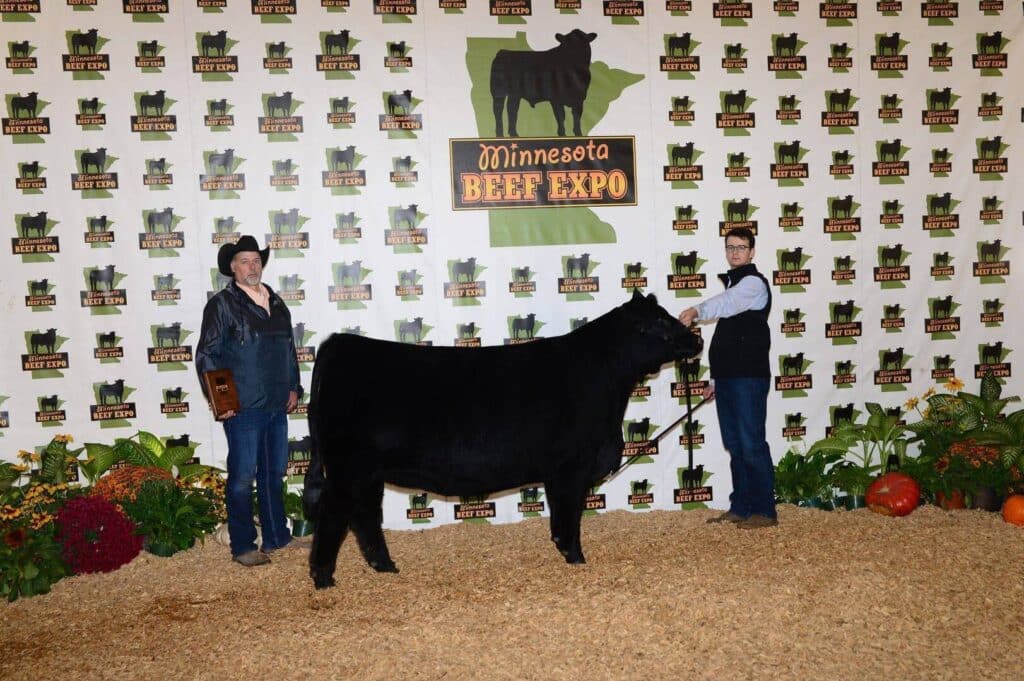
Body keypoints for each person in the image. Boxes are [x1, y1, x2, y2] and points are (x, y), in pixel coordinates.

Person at [196, 235, 302, 566]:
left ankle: (276, 538)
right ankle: (243, 546)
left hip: (275, 403)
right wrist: (222, 400)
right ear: (232, 267)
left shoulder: (278, 302)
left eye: (256, 260)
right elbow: (208, 355)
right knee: (242, 477)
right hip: (242, 408)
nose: (251, 267)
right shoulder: (222, 305)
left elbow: (289, 350)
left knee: (273, 474)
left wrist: (294, 386)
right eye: (244, 261)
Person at [678, 227, 776, 529]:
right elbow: (731, 340)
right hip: (730, 379)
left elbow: (726, 302)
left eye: (741, 247)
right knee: (736, 445)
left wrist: (697, 309)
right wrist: (716, 382)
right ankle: (741, 507)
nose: (735, 252)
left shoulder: (752, 285)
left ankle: (764, 511)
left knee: (751, 444)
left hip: (748, 378)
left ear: (752, 251)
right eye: (730, 247)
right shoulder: (737, 284)